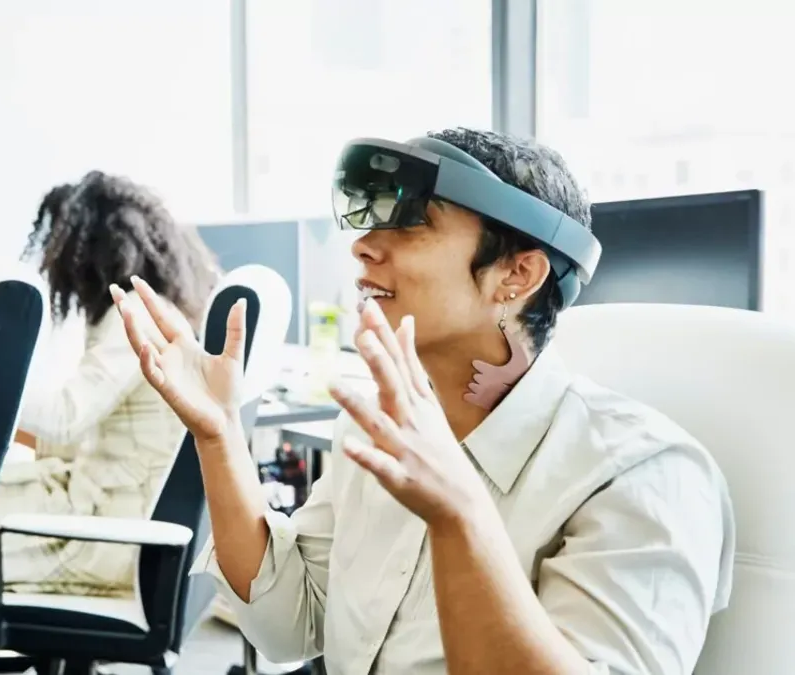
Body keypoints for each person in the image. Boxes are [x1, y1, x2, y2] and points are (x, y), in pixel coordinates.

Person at [113, 128, 735, 674]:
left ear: (517, 276)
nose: (363, 246)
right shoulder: (373, 434)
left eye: (412, 223)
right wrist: (219, 435)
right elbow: (286, 628)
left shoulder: (643, 476)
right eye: (371, 221)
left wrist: (459, 514)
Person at [0, 170, 219, 597]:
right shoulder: (154, 307)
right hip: (107, 508)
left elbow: (66, 419)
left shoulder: (135, 315)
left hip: (110, 533)